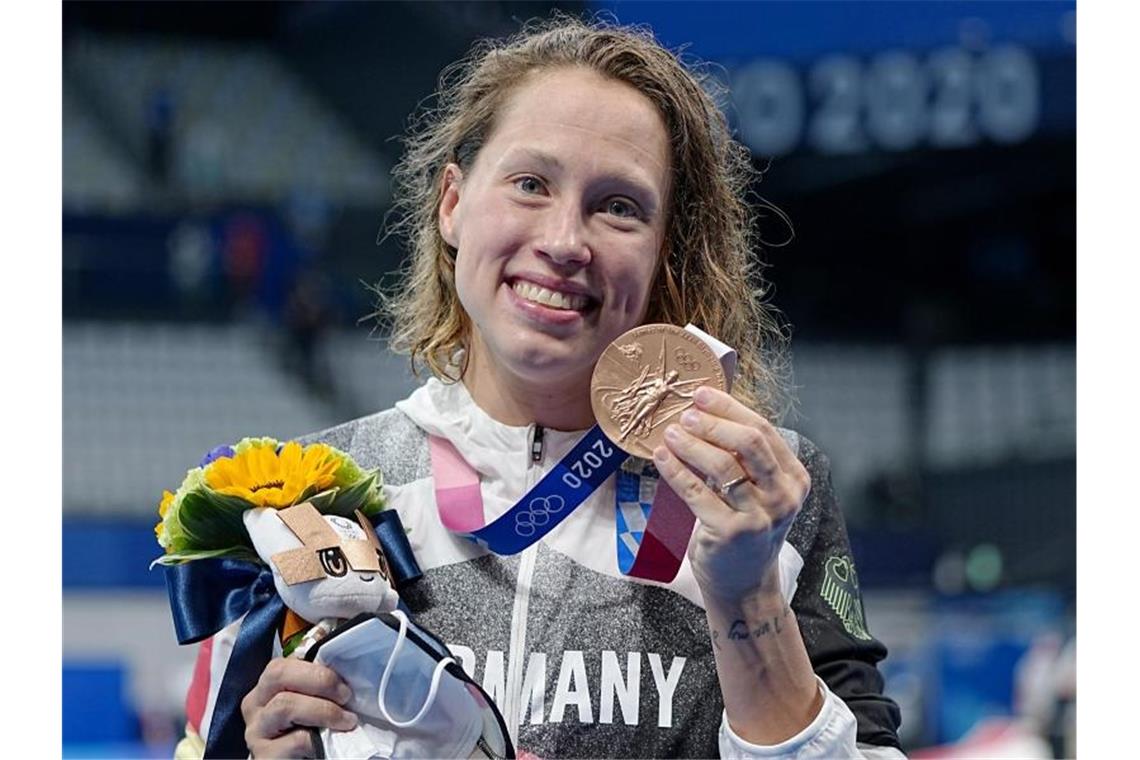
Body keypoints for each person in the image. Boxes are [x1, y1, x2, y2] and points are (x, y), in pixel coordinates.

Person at [181, 15, 903, 759]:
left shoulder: (764, 496)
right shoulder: (308, 501)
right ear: (453, 204)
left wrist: (749, 595)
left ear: (666, 253)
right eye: (530, 184)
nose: (564, 242)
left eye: (618, 206)